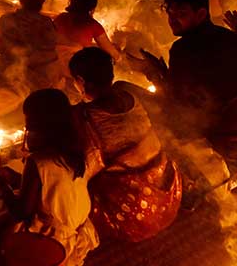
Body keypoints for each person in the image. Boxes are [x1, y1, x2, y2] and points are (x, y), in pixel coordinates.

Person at [69, 48, 181, 242]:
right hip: (169, 197)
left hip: (136, 216)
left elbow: (84, 170)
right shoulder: (128, 91)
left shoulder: (83, 116)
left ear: (80, 80)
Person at [145, 0, 237, 163]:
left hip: (225, 139)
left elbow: (178, 101)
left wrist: (155, 75)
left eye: (181, 14)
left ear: (201, 14)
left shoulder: (183, 48)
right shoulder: (229, 36)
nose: (172, 20)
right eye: (170, 14)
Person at [0, 89, 98, 266]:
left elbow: (22, 212)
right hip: (77, 225)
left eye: (27, 117)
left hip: (52, 239)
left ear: (39, 122)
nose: (26, 123)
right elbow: (52, 185)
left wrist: (0, 185)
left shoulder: (38, 161)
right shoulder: (76, 151)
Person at [0, 0, 60, 90]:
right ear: (43, 0)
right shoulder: (47, 23)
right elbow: (51, 49)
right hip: (45, 77)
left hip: (14, 76)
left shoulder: (8, 20)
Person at [54, 0, 121, 62]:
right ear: (92, 8)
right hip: (75, 66)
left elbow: (67, 42)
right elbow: (111, 51)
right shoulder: (93, 25)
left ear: (72, 2)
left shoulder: (61, 17)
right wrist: (118, 57)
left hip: (54, 62)